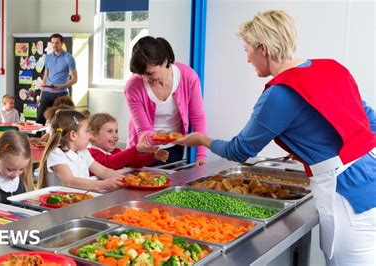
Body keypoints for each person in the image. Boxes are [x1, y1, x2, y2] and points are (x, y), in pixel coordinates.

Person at [175, 10, 376, 265]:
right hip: (371, 178)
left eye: (246, 49)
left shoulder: (280, 93)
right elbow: (370, 121)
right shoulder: (333, 68)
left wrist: (202, 140)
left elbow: (239, 151)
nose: (247, 58)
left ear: (263, 48)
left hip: (347, 197)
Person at [125, 36, 207, 166]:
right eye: (140, 74)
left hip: (174, 150)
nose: (145, 79)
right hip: (143, 152)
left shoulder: (188, 77)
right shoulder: (133, 87)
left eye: (150, 73)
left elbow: (198, 118)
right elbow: (143, 131)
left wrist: (201, 155)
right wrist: (158, 137)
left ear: (164, 62)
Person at [37, 110, 123, 191]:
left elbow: (102, 171)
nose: (90, 136)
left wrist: (126, 179)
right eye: (87, 131)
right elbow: (69, 181)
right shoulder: (56, 154)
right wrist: (102, 184)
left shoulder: (83, 152)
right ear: (73, 135)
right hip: (62, 205)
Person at [88, 113, 169, 170]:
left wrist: (153, 156)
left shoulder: (115, 151)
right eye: (110, 131)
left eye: (116, 131)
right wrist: (136, 149)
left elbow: (134, 162)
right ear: (94, 135)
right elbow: (111, 163)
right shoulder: (91, 153)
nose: (115, 135)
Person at [36, 33, 77, 125]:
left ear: (62, 43)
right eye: (52, 43)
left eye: (57, 43)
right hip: (46, 93)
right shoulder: (48, 57)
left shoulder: (68, 58)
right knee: (39, 120)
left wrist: (61, 86)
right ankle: (38, 139)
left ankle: (57, 139)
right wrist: (41, 95)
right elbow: (45, 77)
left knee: (60, 122)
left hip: (61, 94)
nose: (54, 45)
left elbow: (75, 79)